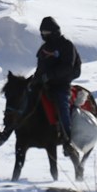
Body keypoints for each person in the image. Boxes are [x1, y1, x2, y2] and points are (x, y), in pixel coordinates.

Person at [34, 16, 81, 156]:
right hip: (45, 83)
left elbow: (68, 67)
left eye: (46, 33)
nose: (44, 35)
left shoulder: (66, 45)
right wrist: (35, 80)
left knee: (62, 104)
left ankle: (68, 141)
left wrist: (50, 75)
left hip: (61, 83)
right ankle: (7, 131)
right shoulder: (43, 49)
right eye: (42, 33)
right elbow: (40, 67)